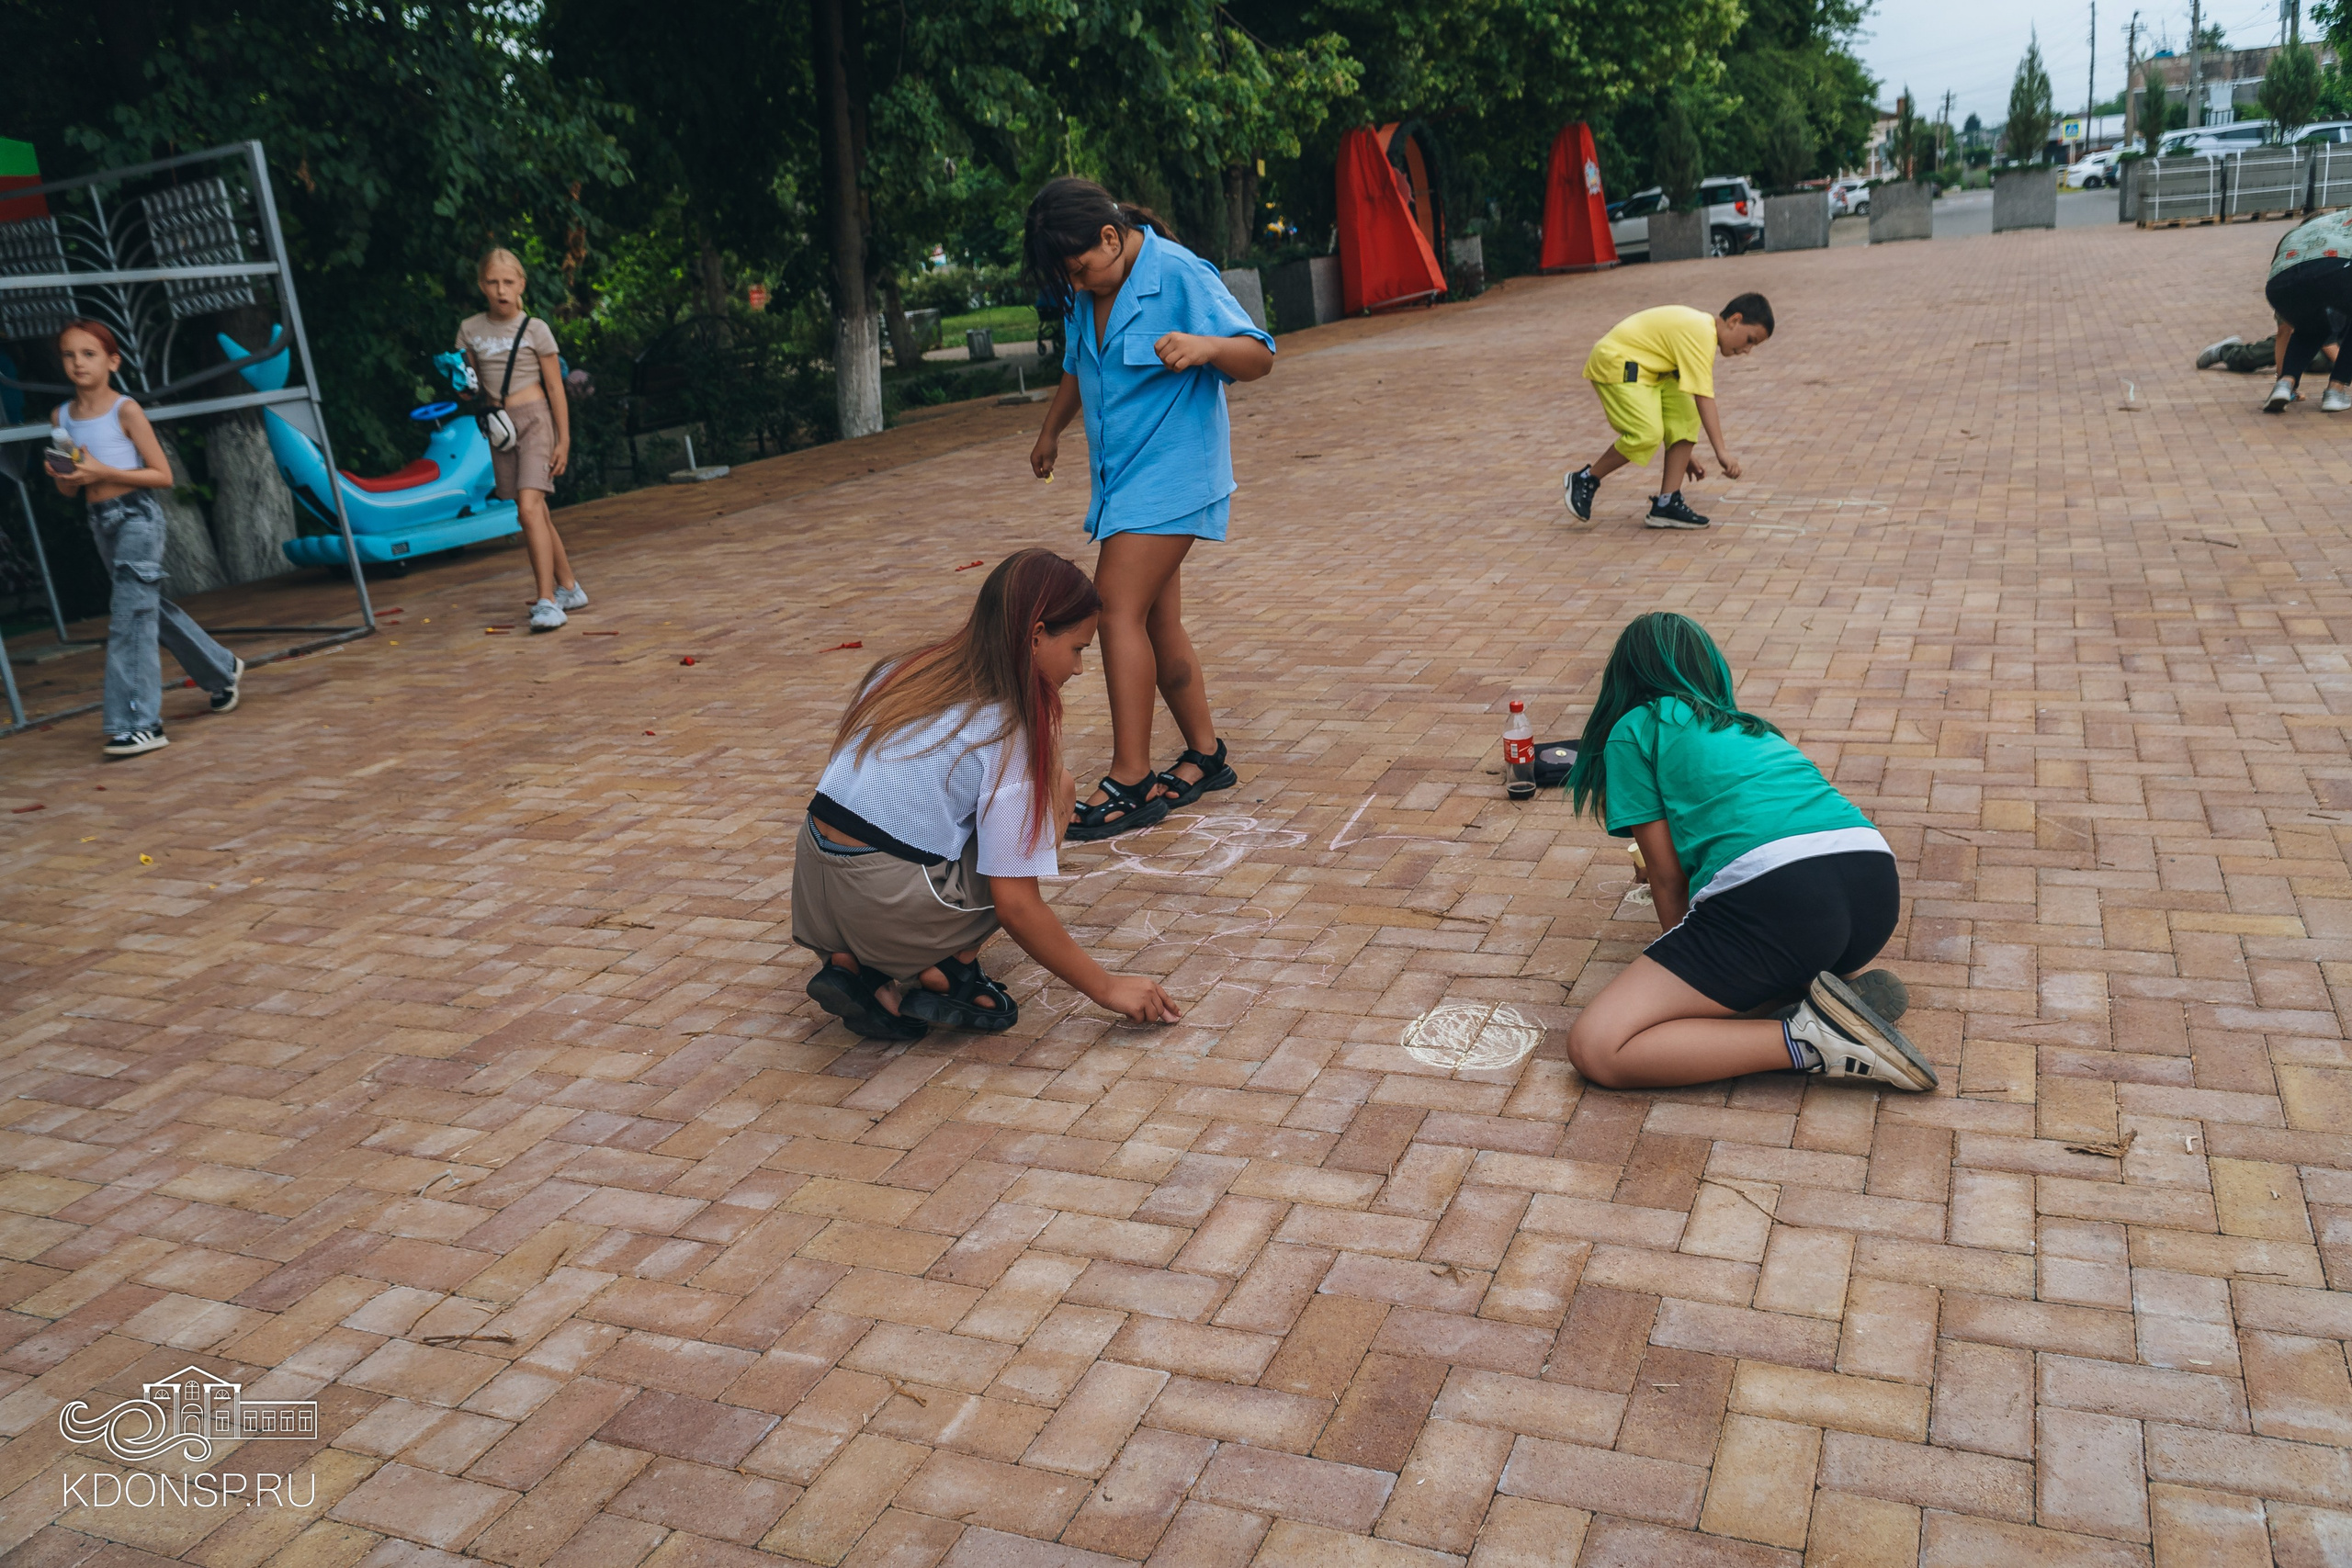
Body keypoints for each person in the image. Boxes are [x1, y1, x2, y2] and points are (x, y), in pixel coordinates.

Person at [795, 547, 1184, 1041]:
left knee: (944, 823)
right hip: (884, 903)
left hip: (813, 892)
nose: (1081, 669)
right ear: (1036, 637)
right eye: (1080, 649)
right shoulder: (1009, 729)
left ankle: (853, 967)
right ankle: (949, 968)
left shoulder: (901, 669)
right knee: (1057, 790)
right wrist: (1107, 987)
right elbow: (1016, 905)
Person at [1561, 613, 1935, 1092]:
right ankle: (1814, 992)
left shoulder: (1636, 726)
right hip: (1871, 892)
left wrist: (1680, 953)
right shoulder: (1754, 728)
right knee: (1762, 960)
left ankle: (1812, 1040)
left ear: (1624, 676)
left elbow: (1667, 877)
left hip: (1782, 898)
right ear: (1710, 668)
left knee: (1599, 1048)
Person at [1023, 178, 1275, 841]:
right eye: (1067, 279)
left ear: (1110, 237)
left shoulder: (1180, 274)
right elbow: (1079, 367)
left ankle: (1131, 777)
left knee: (1113, 610)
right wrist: (1051, 431)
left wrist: (1206, 347)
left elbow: (1259, 354)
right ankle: (1206, 755)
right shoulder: (1088, 292)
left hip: (1175, 474)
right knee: (1159, 622)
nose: (1076, 286)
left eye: (1079, 270)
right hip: (1122, 479)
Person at [47, 319, 242, 758]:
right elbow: (69, 486)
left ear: (112, 361)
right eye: (69, 354)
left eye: (89, 353)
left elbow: (163, 475)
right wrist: (64, 475)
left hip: (137, 516)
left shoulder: (125, 410)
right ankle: (222, 668)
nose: (78, 362)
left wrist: (101, 471)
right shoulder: (60, 417)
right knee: (145, 606)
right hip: (100, 520)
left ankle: (140, 723)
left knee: (129, 618)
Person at [1566, 294, 1772, 531]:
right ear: (1734, 320)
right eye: (1750, 340)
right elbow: (1704, 397)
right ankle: (1585, 479)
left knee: (1686, 414)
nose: (1747, 350)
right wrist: (1722, 453)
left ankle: (1667, 503)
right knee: (1647, 434)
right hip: (1617, 361)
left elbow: (1682, 406)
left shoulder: (1701, 331)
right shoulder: (1701, 334)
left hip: (1649, 369)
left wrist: (1682, 454)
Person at [457, 248, 582, 629]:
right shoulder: (470, 329)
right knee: (536, 512)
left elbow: (556, 388)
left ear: (521, 285)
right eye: (493, 282)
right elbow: (470, 387)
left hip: (536, 421)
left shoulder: (536, 329)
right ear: (482, 285)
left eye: (508, 282)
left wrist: (564, 440)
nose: (501, 290)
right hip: (500, 427)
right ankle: (570, 588)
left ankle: (547, 602)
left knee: (528, 510)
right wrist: (461, 386)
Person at [2260, 209, 2352, 414]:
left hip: (2280, 281)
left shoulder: (2309, 228)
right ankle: (2335, 391)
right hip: (2333, 267)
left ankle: (2284, 385)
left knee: (2312, 328)